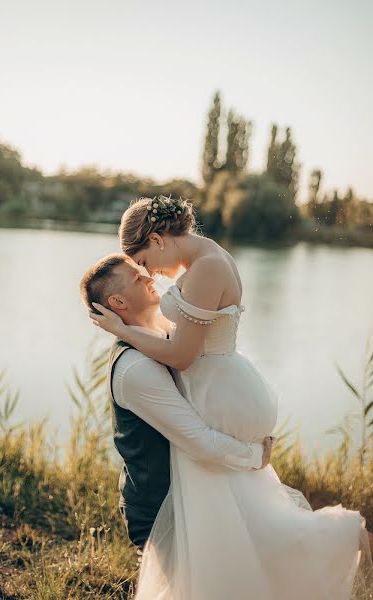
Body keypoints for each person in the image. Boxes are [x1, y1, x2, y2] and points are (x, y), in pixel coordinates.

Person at [90, 196, 372, 599]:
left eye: (143, 263)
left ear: (156, 238)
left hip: (217, 387)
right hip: (219, 382)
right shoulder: (205, 260)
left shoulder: (206, 268)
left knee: (221, 501)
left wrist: (122, 330)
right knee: (240, 512)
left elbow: (184, 356)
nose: (150, 274)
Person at [80, 254, 274, 559]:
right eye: (137, 278)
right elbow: (199, 442)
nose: (149, 277)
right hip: (162, 513)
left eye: (142, 270)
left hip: (192, 498)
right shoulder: (135, 368)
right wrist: (255, 454)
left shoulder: (166, 339)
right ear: (118, 302)